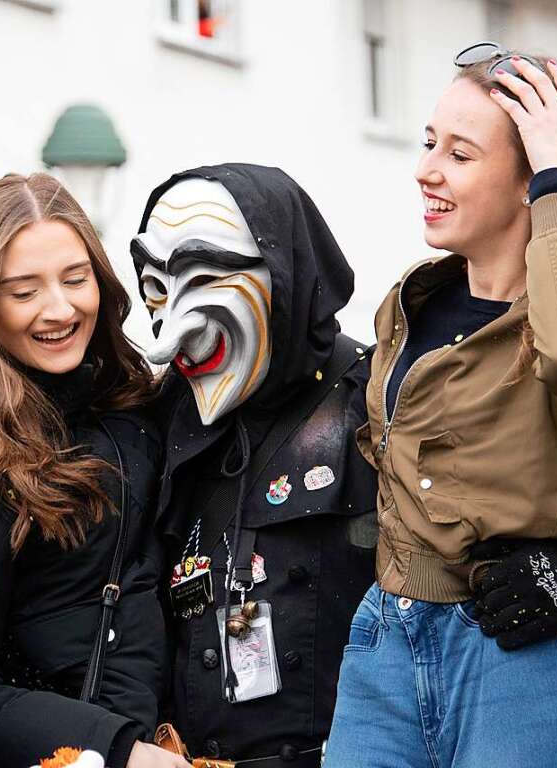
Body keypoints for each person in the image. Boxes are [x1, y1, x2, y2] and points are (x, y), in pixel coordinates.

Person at [324, 46, 557, 766]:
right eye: (429, 143)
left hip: (519, 650)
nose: (426, 169)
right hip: (387, 637)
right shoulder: (413, 301)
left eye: (461, 154)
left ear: (532, 176)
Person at [0, 173, 188, 768]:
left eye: (76, 279)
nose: (60, 308)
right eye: (23, 291)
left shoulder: (131, 403)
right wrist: (116, 751)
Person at [131, 163, 379, 766]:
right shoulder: (156, 421)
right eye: (155, 288)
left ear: (288, 273)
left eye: (206, 278)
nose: (169, 328)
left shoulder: (380, 401)